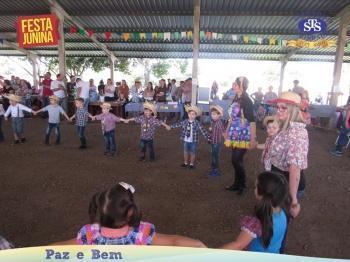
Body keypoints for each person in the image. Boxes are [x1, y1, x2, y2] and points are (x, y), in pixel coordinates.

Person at [54, 182, 206, 247]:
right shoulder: (142, 233)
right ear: (130, 211)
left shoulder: (88, 234)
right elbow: (174, 241)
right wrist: (198, 244)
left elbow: (57, 249)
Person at [221, 172, 289, 254]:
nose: (254, 189)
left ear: (261, 193)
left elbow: (238, 245)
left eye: (255, 187)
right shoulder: (282, 212)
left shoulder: (258, 221)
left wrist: (211, 253)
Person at [269, 91, 308, 218]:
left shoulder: (296, 132)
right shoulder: (285, 126)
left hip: (287, 187)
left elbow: (294, 168)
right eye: (278, 107)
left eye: (283, 107)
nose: (278, 110)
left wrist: (294, 201)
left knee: (279, 223)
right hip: (280, 182)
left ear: (293, 110)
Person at [225, 77, 256, 195]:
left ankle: (242, 184)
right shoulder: (236, 98)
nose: (233, 85)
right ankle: (236, 184)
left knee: (236, 159)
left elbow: (252, 120)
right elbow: (232, 117)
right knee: (236, 160)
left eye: (235, 83)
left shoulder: (247, 100)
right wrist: (227, 130)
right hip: (234, 132)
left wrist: (253, 138)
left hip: (243, 133)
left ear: (241, 85)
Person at [208, 105, 225, 177]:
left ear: (219, 115)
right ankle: (213, 168)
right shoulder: (213, 122)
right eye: (212, 114)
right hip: (213, 142)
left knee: (215, 156)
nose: (212, 115)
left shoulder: (219, 123)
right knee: (213, 155)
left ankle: (215, 170)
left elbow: (223, 132)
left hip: (217, 143)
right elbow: (212, 132)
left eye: (214, 114)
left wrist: (226, 139)